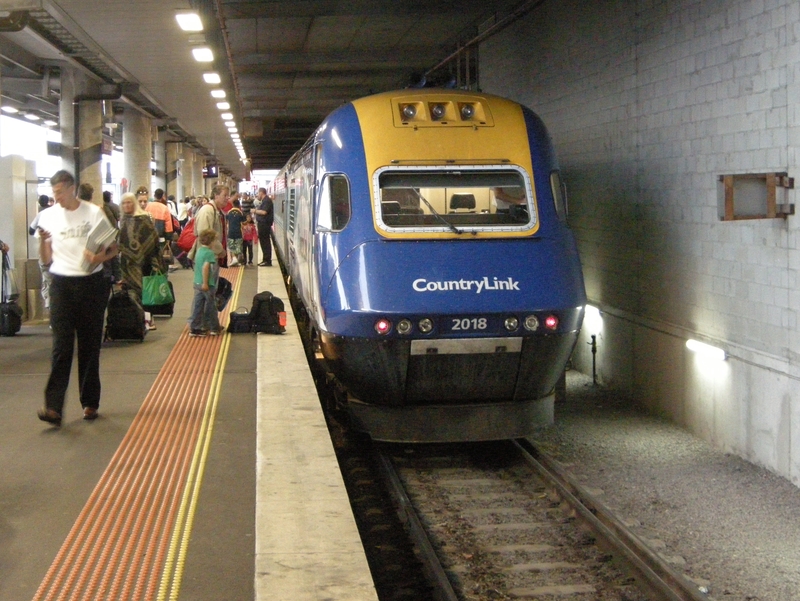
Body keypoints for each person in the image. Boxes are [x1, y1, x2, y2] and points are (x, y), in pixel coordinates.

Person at [36, 170, 118, 426]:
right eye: (54, 192)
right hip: (61, 283)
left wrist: (98, 258)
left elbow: (114, 247)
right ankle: (53, 408)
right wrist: (43, 242)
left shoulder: (93, 213)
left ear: (71, 188)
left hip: (91, 284)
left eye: (59, 191)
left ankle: (90, 402)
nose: (56, 197)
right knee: (61, 346)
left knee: (89, 344)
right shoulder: (47, 216)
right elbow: (46, 259)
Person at [117, 192, 163, 314]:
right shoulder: (123, 220)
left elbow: (153, 240)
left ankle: (147, 317)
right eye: (124, 203)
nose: (126, 205)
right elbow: (121, 241)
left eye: (129, 202)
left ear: (134, 203)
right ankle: (135, 319)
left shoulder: (143, 219)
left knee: (146, 292)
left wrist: (152, 259)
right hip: (127, 264)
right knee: (130, 293)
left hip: (146, 261)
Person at [189, 229, 223, 337]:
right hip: (207, 284)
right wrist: (205, 283)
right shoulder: (209, 253)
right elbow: (206, 267)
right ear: (212, 241)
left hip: (197, 283)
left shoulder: (199, 251)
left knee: (198, 306)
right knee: (211, 306)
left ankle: (195, 328)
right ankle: (214, 328)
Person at [189, 185, 228, 266]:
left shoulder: (217, 211)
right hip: (206, 259)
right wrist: (220, 250)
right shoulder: (207, 211)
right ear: (216, 195)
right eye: (225, 195)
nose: (227, 198)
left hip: (213, 256)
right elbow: (204, 235)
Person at [29, 194, 54, 310]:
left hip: (44, 251)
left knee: (47, 278)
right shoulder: (56, 213)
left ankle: (50, 306)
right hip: (57, 253)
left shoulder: (41, 214)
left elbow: (31, 230)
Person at [253, 187, 274, 266]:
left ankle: (267, 260)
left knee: (265, 242)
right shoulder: (264, 201)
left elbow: (264, 212)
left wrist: (254, 211)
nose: (258, 195)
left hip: (264, 224)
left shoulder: (267, 201)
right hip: (262, 224)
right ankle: (265, 259)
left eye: (258, 193)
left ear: (261, 192)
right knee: (263, 242)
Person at [225, 198, 245, 266]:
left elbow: (227, 222)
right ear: (239, 205)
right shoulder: (241, 213)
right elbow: (243, 222)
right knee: (238, 245)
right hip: (238, 231)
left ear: (232, 205)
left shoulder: (229, 212)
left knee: (231, 245)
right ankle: (236, 259)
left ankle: (234, 258)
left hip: (230, 231)